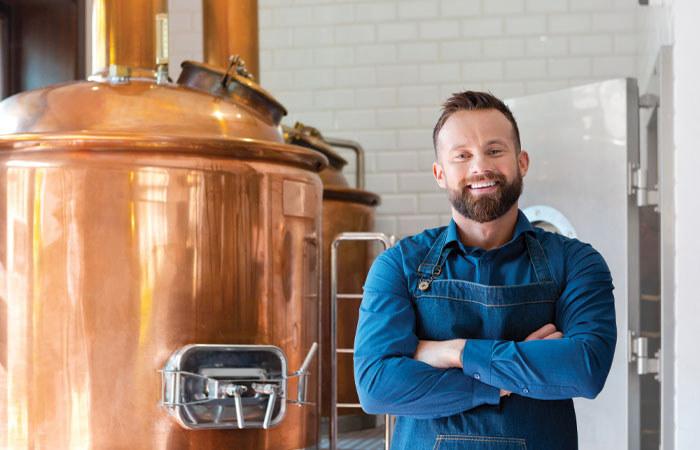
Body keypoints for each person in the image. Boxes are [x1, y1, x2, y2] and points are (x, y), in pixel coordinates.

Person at [353, 91, 616, 449]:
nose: (480, 167)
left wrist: (455, 351)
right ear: (440, 173)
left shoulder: (576, 263)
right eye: (462, 155)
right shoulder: (399, 265)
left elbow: (585, 369)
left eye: (495, 150)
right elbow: (376, 386)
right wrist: (507, 379)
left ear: (521, 162)